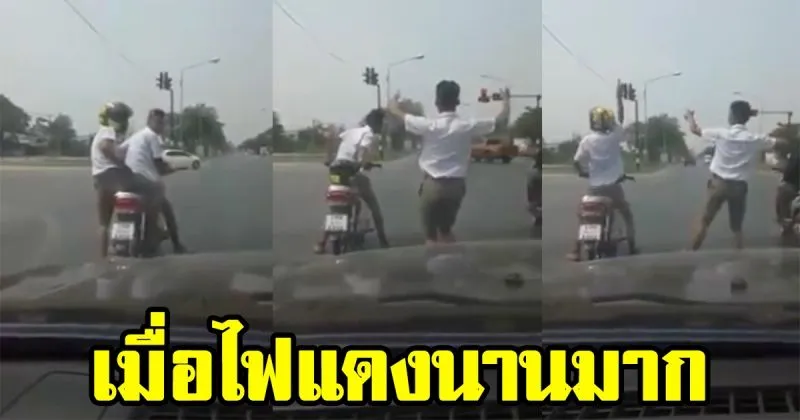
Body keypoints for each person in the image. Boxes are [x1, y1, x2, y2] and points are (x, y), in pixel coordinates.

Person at [387, 80, 510, 245]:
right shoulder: (466, 125)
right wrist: (506, 100)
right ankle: (452, 259)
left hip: (432, 185)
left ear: (436, 102)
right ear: (457, 102)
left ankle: (433, 260)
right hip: (456, 187)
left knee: (431, 236)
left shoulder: (429, 125)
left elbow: (396, 112)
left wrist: (394, 100)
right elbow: (501, 120)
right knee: (445, 231)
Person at [684, 100, 783, 250]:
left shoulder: (721, 134)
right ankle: (739, 255)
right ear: (746, 118)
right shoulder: (754, 138)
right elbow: (780, 142)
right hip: (739, 187)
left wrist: (690, 117)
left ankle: (691, 253)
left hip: (718, 184)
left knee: (704, 221)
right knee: (737, 227)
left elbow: (695, 130)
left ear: (733, 116)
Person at [568, 106, 639, 261]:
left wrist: (583, 173)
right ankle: (632, 246)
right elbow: (619, 127)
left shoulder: (586, 140)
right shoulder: (614, 137)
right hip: (613, 187)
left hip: (594, 188)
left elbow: (576, 161)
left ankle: (575, 250)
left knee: (584, 217)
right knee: (627, 215)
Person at [314, 109, 388, 253]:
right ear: (378, 123)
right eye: (383, 123)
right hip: (351, 170)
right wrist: (365, 163)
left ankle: (321, 243)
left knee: (337, 209)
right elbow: (363, 152)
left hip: (336, 170)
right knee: (373, 205)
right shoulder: (370, 135)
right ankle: (383, 240)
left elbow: (332, 138)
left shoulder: (353, 131)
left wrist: (328, 158)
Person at [120, 109, 185, 254]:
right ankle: (176, 246)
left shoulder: (136, 136)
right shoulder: (153, 137)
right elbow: (159, 164)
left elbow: (119, 151)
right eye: (158, 122)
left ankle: (142, 238)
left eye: (162, 123)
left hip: (128, 179)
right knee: (166, 210)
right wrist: (173, 168)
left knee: (140, 210)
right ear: (149, 122)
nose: (160, 125)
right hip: (146, 182)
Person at [90, 101, 134, 258]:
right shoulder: (108, 131)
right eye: (123, 118)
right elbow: (105, 148)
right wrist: (120, 162)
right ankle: (124, 247)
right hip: (114, 176)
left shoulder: (101, 132)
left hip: (100, 179)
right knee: (128, 213)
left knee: (104, 223)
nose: (126, 122)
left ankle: (102, 259)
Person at [774, 138, 799, 234]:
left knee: (782, 194)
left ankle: (785, 220)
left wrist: (785, 178)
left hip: (794, 185)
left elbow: (790, 170)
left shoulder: (796, 153)